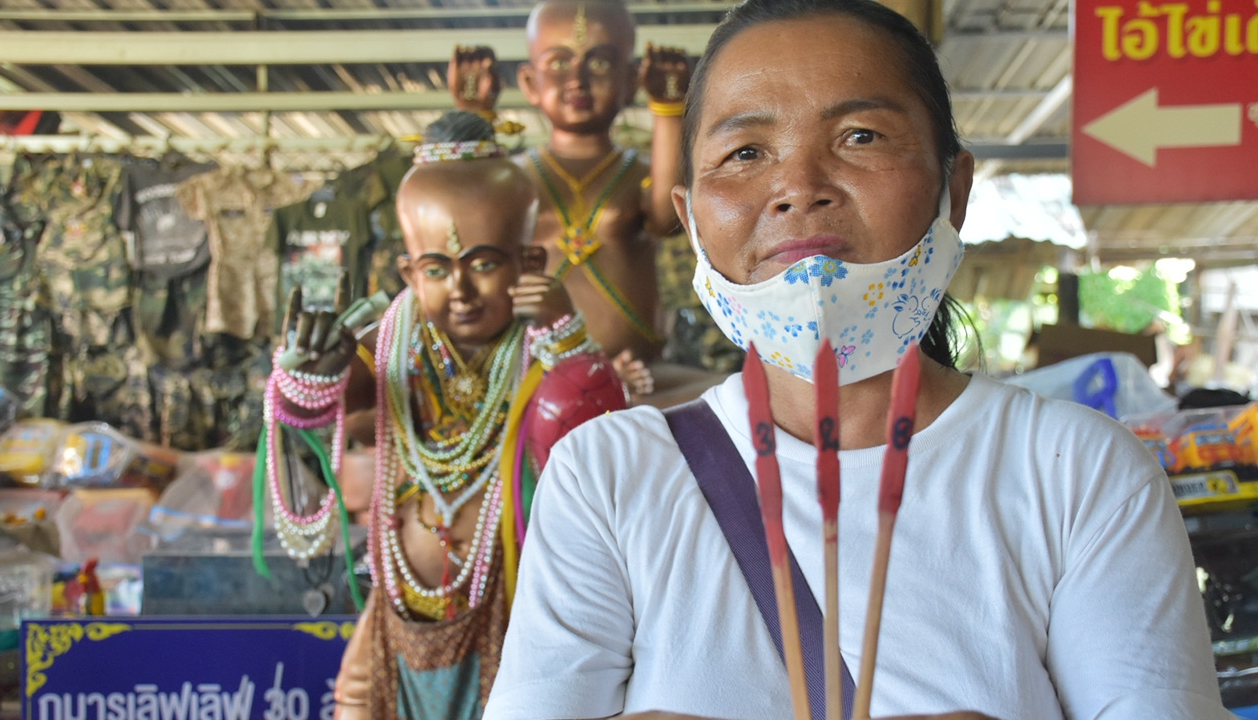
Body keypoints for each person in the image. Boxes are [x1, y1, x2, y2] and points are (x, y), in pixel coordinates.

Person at [483, 1, 1232, 718]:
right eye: (745, 152)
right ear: (689, 219)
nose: (798, 188)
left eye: (861, 137)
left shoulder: (1076, 474)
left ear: (954, 187)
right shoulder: (609, 478)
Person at [262, 111, 627, 720]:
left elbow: (600, 451)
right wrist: (309, 368)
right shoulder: (391, 341)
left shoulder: (547, 349)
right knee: (358, 699)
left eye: (483, 264)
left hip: (516, 603)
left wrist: (565, 336)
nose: (459, 288)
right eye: (436, 269)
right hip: (400, 602)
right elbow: (322, 402)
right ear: (409, 272)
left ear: (527, 262)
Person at [450, 0, 693, 399]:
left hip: (639, 372)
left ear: (633, 80)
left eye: (598, 64)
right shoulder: (512, 175)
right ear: (529, 83)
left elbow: (667, 220)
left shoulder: (639, 171)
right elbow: (463, 229)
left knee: (740, 399)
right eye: (559, 63)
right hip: (535, 371)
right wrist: (472, 122)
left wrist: (668, 110)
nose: (577, 80)